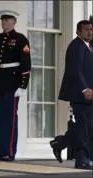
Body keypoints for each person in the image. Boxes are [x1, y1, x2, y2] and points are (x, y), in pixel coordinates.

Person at [0, 10, 31, 162]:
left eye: (7, 20)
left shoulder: (20, 39)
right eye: (2, 20)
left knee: (10, 119)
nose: (4, 23)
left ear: (14, 22)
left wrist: (23, 86)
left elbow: (26, 64)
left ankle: (9, 152)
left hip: (12, 83)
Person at [50, 20, 93, 170]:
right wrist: (84, 89)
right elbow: (75, 70)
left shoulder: (86, 47)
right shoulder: (77, 46)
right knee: (83, 129)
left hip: (88, 96)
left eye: (91, 29)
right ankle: (81, 160)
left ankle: (59, 143)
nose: (89, 32)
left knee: (84, 127)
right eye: (86, 29)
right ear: (78, 32)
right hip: (80, 95)